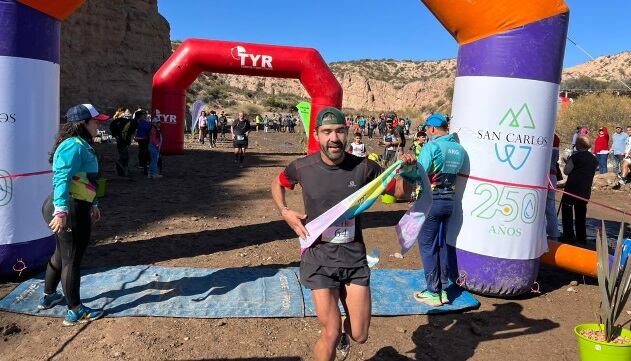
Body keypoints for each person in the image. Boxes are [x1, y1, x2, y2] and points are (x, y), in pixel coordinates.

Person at [271, 107, 383, 361]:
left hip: (354, 257)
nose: (334, 138)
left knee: (360, 334)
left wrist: (408, 172)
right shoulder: (302, 167)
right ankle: (335, 336)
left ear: (347, 132)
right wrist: (285, 211)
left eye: (339, 131)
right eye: (327, 132)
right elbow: (278, 183)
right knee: (329, 332)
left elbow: (398, 191)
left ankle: (347, 333)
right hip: (319, 257)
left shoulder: (365, 168)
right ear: (316, 135)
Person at [39, 104, 108, 326]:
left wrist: (94, 203)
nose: (98, 124)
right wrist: (61, 211)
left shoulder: (79, 144)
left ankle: (49, 296)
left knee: (61, 254)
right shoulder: (73, 146)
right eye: (95, 121)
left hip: (75, 205)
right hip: (69, 208)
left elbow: (85, 180)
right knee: (72, 260)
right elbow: (61, 178)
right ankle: (75, 311)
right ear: (83, 123)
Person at [400, 113, 465, 307]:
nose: (426, 133)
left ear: (434, 129)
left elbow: (420, 174)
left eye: (427, 129)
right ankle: (443, 290)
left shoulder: (432, 146)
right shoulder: (459, 149)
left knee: (427, 246)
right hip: (450, 203)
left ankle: (432, 292)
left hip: (432, 201)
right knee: (442, 245)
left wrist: (405, 171)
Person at [561, 136, 598, 244]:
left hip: (572, 189)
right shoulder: (594, 159)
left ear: (579, 145)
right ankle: (581, 237)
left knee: (567, 213)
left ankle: (568, 235)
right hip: (585, 190)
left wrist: (567, 162)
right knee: (580, 215)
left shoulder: (575, 157)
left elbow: (567, 171)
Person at [110, 108, 136, 177]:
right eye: (127, 116)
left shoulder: (128, 122)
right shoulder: (119, 121)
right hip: (121, 141)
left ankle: (123, 169)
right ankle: (122, 169)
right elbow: (112, 127)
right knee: (124, 156)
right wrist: (115, 135)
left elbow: (130, 132)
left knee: (124, 155)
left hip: (123, 141)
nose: (128, 117)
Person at [545, 133, 561, 241]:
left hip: (543, 175)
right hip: (553, 174)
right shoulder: (555, 138)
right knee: (550, 205)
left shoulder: (544, 134)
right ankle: (554, 233)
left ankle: (539, 232)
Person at [134, 109, 151, 175]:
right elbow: (147, 130)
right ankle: (144, 165)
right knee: (145, 152)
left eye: (145, 115)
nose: (145, 116)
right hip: (144, 139)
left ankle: (142, 164)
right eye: (144, 115)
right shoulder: (143, 123)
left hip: (141, 139)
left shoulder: (138, 122)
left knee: (142, 151)